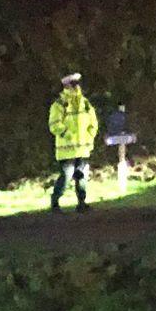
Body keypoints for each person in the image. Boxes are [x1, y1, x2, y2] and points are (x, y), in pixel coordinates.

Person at [49, 72, 100, 213]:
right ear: (66, 85)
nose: (77, 86)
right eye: (73, 84)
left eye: (77, 83)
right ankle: (55, 202)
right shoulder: (59, 104)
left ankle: (82, 203)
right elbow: (54, 125)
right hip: (67, 150)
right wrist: (68, 135)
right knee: (66, 177)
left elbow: (93, 122)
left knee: (82, 177)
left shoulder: (85, 103)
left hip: (83, 149)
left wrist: (90, 135)